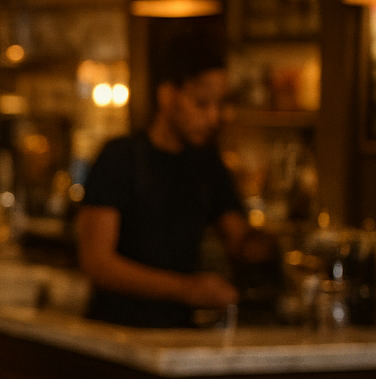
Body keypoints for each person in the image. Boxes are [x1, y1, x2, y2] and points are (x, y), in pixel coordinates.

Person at [78, 27, 267, 327]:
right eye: (202, 103)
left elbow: (240, 239)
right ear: (167, 96)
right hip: (115, 333)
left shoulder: (207, 162)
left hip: (179, 334)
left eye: (220, 104)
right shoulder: (120, 157)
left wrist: (266, 246)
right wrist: (187, 289)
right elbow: (97, 262)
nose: (214, 117)